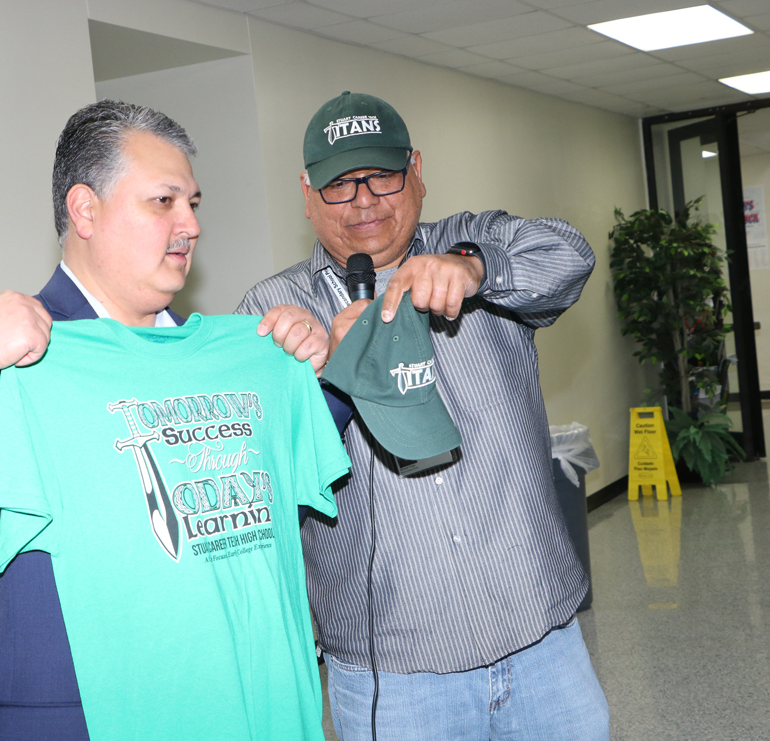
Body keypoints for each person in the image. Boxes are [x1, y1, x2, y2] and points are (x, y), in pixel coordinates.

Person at [0, 100, 333, 741]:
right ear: (85, 210)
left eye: (194, 202)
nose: (191, 224)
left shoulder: (235, 359)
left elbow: (267, 512)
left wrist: (307, 371)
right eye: (164, 201)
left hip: (240, 707)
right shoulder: (18, 364)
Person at [236, 91, 610, 740]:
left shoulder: (472, 242)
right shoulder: (273, 311)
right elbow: (261, 479)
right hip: (393, 674)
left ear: (416, 170)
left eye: (381, 175)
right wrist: (324, 381)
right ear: (305, 193)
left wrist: (475, 269)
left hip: (541, 640)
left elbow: (570, 254)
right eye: (338, 185)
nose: (364, 201)